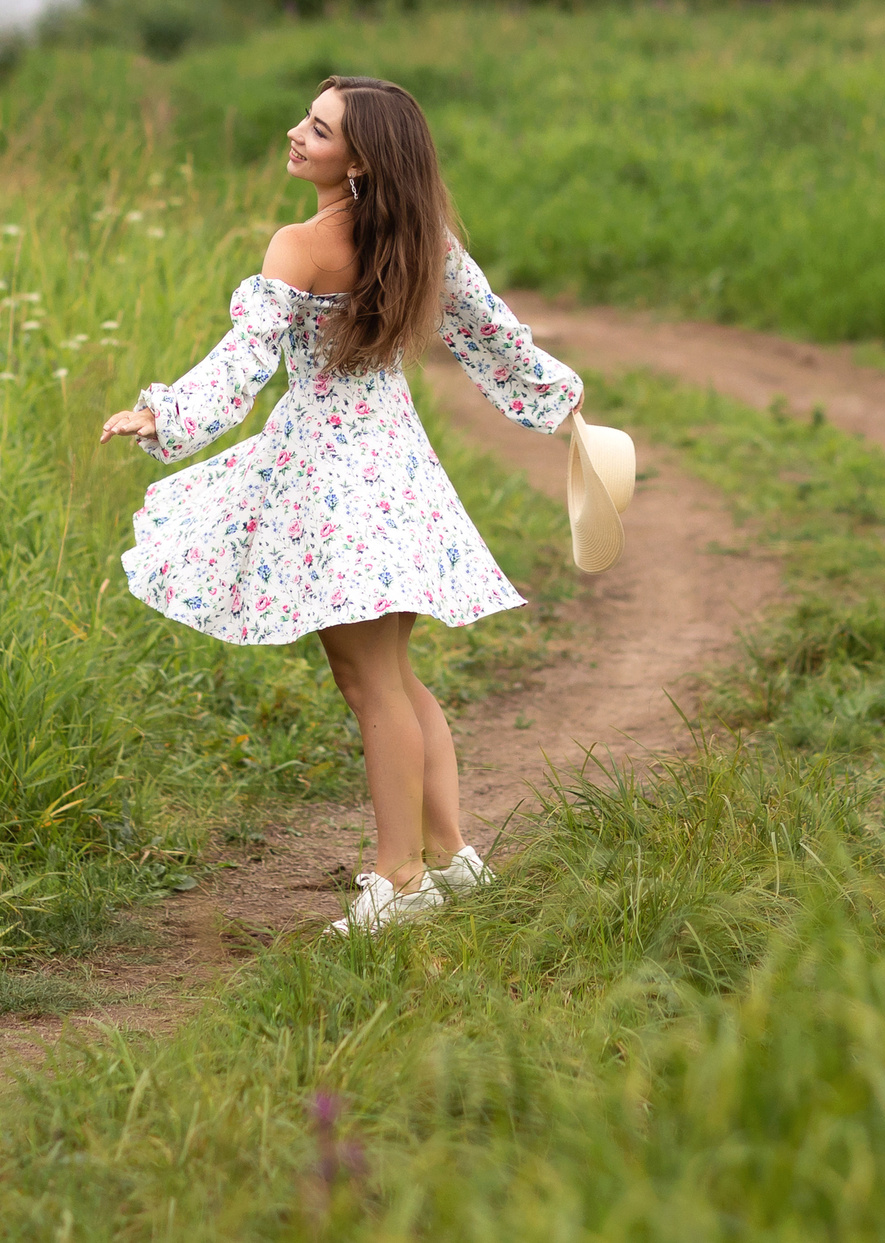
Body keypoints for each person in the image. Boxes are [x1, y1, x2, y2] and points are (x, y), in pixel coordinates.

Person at [101, 76, 584, 935]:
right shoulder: (420, 238)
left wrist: (163, 415)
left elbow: (245, 358)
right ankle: (450, 854)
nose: (296, 132)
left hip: (330, 478)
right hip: (396, 469)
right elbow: (494, 332)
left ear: (359, 161)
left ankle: (401, 880)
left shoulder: (301, 245)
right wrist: (559, 400)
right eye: (308, 117)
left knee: (370, 685)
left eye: (319, 129)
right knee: (393, 675)